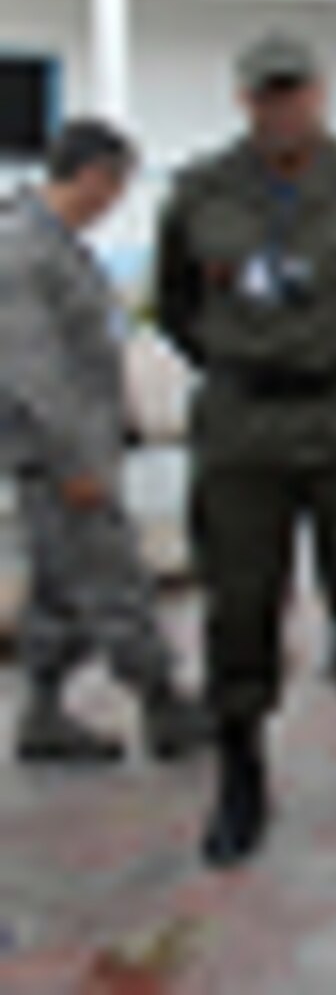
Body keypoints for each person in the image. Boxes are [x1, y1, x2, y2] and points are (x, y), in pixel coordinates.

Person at [156, 32, 336, 868]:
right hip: (244, 426)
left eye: (296, 92)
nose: (283, 109)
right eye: (266, 95)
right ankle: (241, 777)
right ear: (244, 101)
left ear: (321, 94)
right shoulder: (200, 194)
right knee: (239, 603)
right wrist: (245, 364)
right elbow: (177, 309)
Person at [0, 120, 209, 766]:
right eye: (117, 185)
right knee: (116, 579)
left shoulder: (57, 244)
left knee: (61, 589)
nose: (116, 200)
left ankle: (42, 715)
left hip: (79, 448)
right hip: (63, 457)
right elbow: (34, 371)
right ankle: (163, 703)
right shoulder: (23, 249)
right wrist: (75, 461)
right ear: (94, 177)